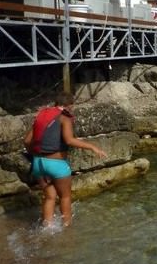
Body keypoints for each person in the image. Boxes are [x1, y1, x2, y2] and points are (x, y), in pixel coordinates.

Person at [23, 92, 107, 228]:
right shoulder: (64, 118)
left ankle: (47, 228)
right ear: (69, 105)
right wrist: (92, 147)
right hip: (56, 164)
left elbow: (26, 141)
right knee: (65, 197)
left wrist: (36, 155)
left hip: (38, 163)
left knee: (49, 197)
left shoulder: (42, 116)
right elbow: (69, 140)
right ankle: (67, 229)